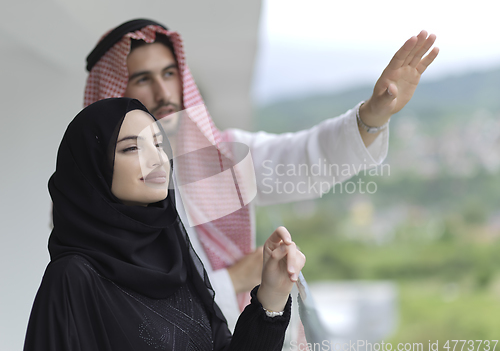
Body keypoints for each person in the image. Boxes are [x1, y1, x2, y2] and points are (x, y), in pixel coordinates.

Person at [84, 19, 439, 330]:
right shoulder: (95, 200)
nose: (163, 93)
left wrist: (373, 115)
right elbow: (130, 314)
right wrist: (236, 279)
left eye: (169, 73)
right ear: (115, 93)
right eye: (143, 79)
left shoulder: (225, 158)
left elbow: (306, 157)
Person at [23, 97, 306, 351]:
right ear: (93, 168)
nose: (156, 158)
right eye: (132, 147)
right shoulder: (72, 277)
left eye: (158, 144)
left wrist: (272, 295)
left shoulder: (174, 258)